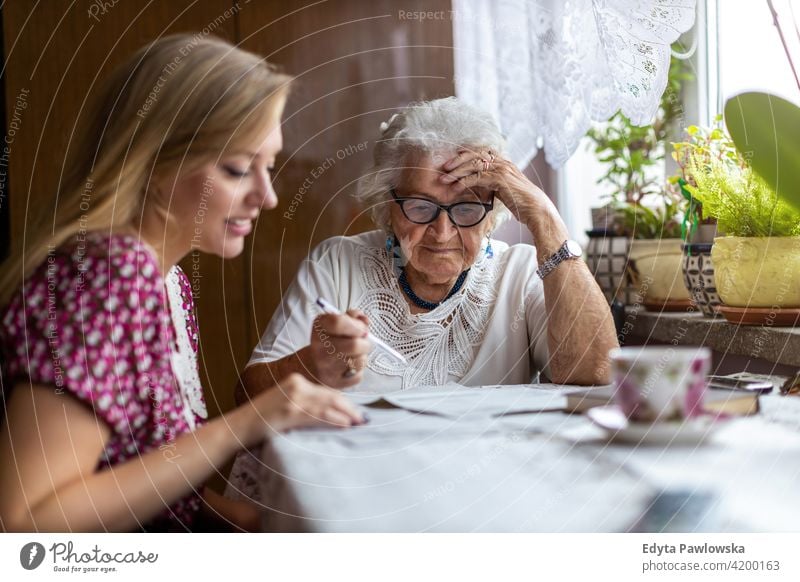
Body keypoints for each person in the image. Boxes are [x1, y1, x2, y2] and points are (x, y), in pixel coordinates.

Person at [0, 34, 365, 533]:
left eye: (270, 167)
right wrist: (247, 422)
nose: (269, 196)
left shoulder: (169, 282)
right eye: (239, 168)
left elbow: (146, 479)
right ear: (153, 162)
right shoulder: (108, 278)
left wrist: (250, 524)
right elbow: (28, 528)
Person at [225, 97, 617, 504]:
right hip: (355, 492)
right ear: (388, 206)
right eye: (420, 207)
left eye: (466, 207)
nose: (443, 232)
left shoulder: (519, 273)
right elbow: (249, 396)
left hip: (483, 493)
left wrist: (544, 218)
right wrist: (315, 363)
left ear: (491, 209)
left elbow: (599, 372)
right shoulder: (339, 263)